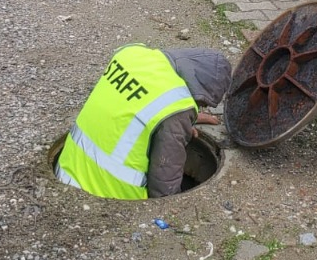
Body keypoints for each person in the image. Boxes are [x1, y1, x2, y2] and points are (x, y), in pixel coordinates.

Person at [57, 46, 231, 199]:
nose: (198, 107)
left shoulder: (132, 55)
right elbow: (164, 186)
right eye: (201, 103)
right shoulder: (176, 106)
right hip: (110, 195)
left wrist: (183, 120)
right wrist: (179, 117)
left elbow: (134, 109)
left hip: (66, 172)